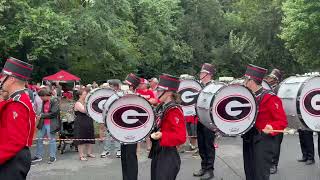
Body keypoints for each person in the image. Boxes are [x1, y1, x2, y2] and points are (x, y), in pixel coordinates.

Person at [242, 64, 287, 180]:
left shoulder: (270, 98)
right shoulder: (247, 97)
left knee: (260, 175)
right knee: (249, 172)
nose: (243, 82)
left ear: (251, 81)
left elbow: (282, 122)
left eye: (245, 80)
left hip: (262, 141)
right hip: (248, 138)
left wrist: (271, 127)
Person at [0, 57, 36, 180]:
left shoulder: (17, 103)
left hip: (12, 158)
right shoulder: (18, 99)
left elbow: (15, 142)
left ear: (12, 79)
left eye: (3, 75)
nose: (0, 79)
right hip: (13, 156)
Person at [149, 74, 186, 180]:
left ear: (168, 92)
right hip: (159, 150)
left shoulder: (174, 110)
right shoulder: (162, 106)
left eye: (160, 90)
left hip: (168, 154)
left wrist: (162, 135)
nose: (157, 92)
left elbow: (181, 137)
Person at [193, 63, 216, 180]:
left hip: (209, 121)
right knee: (201, 145)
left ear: (208, 74)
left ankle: (210, 170)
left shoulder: (214, 87)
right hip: (200, 120)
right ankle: (203, 167)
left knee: (208, 145)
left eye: (202, 73)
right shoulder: (202, 87)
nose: (200, 74)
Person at [32, 88, 60, 164]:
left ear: (45, 95)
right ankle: (38, 156)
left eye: (41, 97)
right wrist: (40, 115)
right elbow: (43, 111)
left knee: (52, 140)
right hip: (43, 123)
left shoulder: (54, 101)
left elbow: (54, 113)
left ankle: (52, 156)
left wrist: (42, 115)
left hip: (51, 123)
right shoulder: (44, 101)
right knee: (39, 139)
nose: (40, 98)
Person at [121, 73, 141, 180]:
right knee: (124, 158)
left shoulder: (135, 98)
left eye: (126, 84)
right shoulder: (124, 96)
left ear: (131, 87)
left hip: (131, 131)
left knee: (130, 157)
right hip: (122, 130)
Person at [264, 69, 285, 174]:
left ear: (276, 80)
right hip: (268, 120)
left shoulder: (280, 89)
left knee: (276, 144)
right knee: (268, 143)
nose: (269, 79)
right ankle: (268, 162)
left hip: (277, 120)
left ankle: (274, 164)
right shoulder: (267, 88)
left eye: (272, 78)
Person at [100, 79, 121, 158]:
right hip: (108, 117)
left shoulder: (120, 94)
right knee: (108, 134)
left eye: (111, 86)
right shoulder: (107, 94)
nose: (110, 87)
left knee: (117, 134)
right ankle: (106, 150)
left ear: (115, 86)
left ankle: (118, 150)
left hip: (117, 117)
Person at [74, 88, 96, 161]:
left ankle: (89, 153)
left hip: (88, 121)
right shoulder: (78, 103)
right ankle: (81, 155)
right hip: (81, 122)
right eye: (85, 94)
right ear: (80, 95)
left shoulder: (87, 102)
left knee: (89, 137)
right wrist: (90, 105)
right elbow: (84, 110)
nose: (86, 95)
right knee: (82, 138)